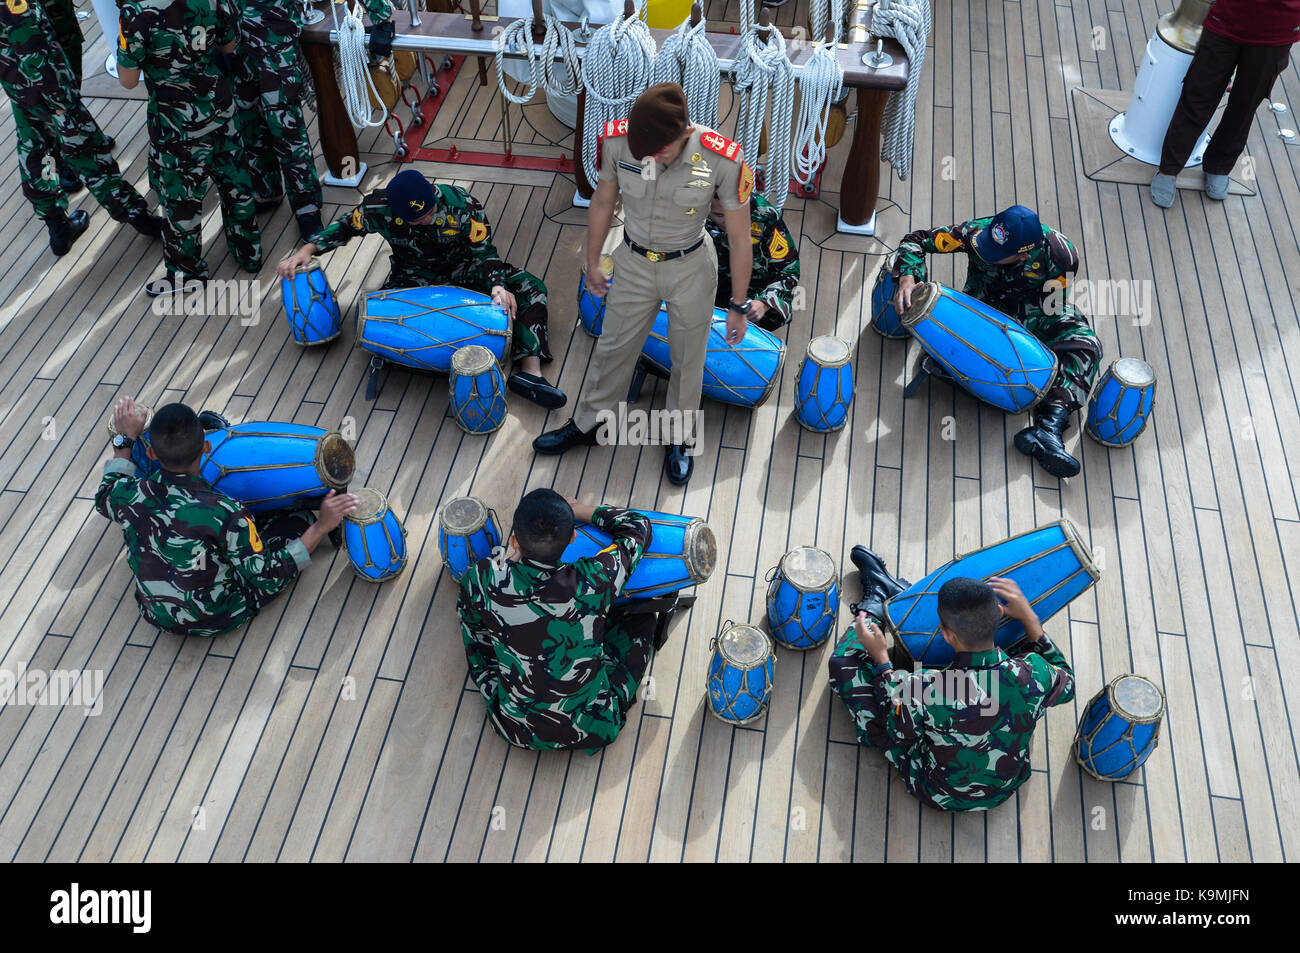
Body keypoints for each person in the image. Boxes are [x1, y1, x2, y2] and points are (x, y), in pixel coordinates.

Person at [533, 82, 755, 485]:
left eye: (660, 151)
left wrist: (738, 304)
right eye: (644, 152)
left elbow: (740, 239)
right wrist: (593, 259)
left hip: (690, 267)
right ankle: (590, 424)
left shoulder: (724, 159)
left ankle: (679, 436)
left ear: (686, 133)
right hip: (633, 262)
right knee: (613, 347)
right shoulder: (619, 142)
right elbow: (602, 201)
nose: (650, 158)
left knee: (688, 358)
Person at [279, 169, 564, 408]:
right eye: (417, 220)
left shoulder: (462, 205)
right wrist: (308, 249)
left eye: (429, 213)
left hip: (464, 270)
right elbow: (345, 227)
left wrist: (499, 286)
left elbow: (484, 253)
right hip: (412, 280)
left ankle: (530, 372)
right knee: (386, 324)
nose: (426, 220)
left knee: (531, 287)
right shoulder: (378, 208)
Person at [95, 399, 358, 638]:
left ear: (151, 454)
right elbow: (268, 575)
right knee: (298, 519)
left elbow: (105, 493)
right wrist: (322, 526)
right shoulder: (226, 511)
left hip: (156, 612)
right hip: (218, 615)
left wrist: (126, 438)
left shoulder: (128, 495)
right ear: (207, 446)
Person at [829, 564, 1076, 812]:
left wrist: (882, 660)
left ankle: (876, 607)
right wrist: (1030, 619)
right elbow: (1069, 685)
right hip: (1004, 788)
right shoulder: (1034, 672)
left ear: (947, 636)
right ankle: (893, 598)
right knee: (1024, 654)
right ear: (1000, 612)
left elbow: (898, 733)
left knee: (844, 663)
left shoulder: (923, 687)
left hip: (938, 792)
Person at [891, 205, 1101, 478]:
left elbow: (1053, 305)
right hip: (979, 311)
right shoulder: (976, 234)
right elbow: (915, 240)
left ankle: (1049, 426)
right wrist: (908, 278)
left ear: (1024, 253)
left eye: (998, 253)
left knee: (1086, 343)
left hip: (1033, 311)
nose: (985, 251)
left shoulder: (1062, 256)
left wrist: (1026, 341)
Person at [458, 489, 659, 752]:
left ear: (515, 540)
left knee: (475, 616)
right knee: (642, 616)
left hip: (513, 727)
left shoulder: (485, 577)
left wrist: (509, 563)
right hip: (593, 729)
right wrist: (578, 510)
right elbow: (638, 527)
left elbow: (472, 618)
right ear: (573, 537)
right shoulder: (595, 579)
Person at [117, 0, 263, 296]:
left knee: (180, 202)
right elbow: (230, 45)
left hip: (175, 127)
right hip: (220, 109)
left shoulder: (135, 13)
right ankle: (249, 253)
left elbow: (128, 81)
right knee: (236, 184)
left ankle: (187, 274)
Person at [0, 1, 162, 255]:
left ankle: (57, 224)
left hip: (20, 83)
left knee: (38, 149)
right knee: (88, 153)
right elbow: (31, 45)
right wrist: (60, 103)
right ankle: (138, 217)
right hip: (47, 87)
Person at [226, 0, 395, 240]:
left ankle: (307, 208)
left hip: (274, 43)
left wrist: (381, 18)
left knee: (287, 130)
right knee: (248, 120)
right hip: (233, 43)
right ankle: (266, 189)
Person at [1150, 0, 1300, 207]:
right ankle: (1169, 168)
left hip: (1277, 31)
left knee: (1244, 106)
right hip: (1228, 18)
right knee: (1198, 94)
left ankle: (1218, 166)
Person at [705, 192, 800, 331]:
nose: (730, 220)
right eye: (720, 215)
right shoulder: (691, 211)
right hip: (703, 278)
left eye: (735, 212)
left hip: (748, 283)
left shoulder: (763, 213)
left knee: (772, 317)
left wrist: (764, 303)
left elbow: (788, 267)